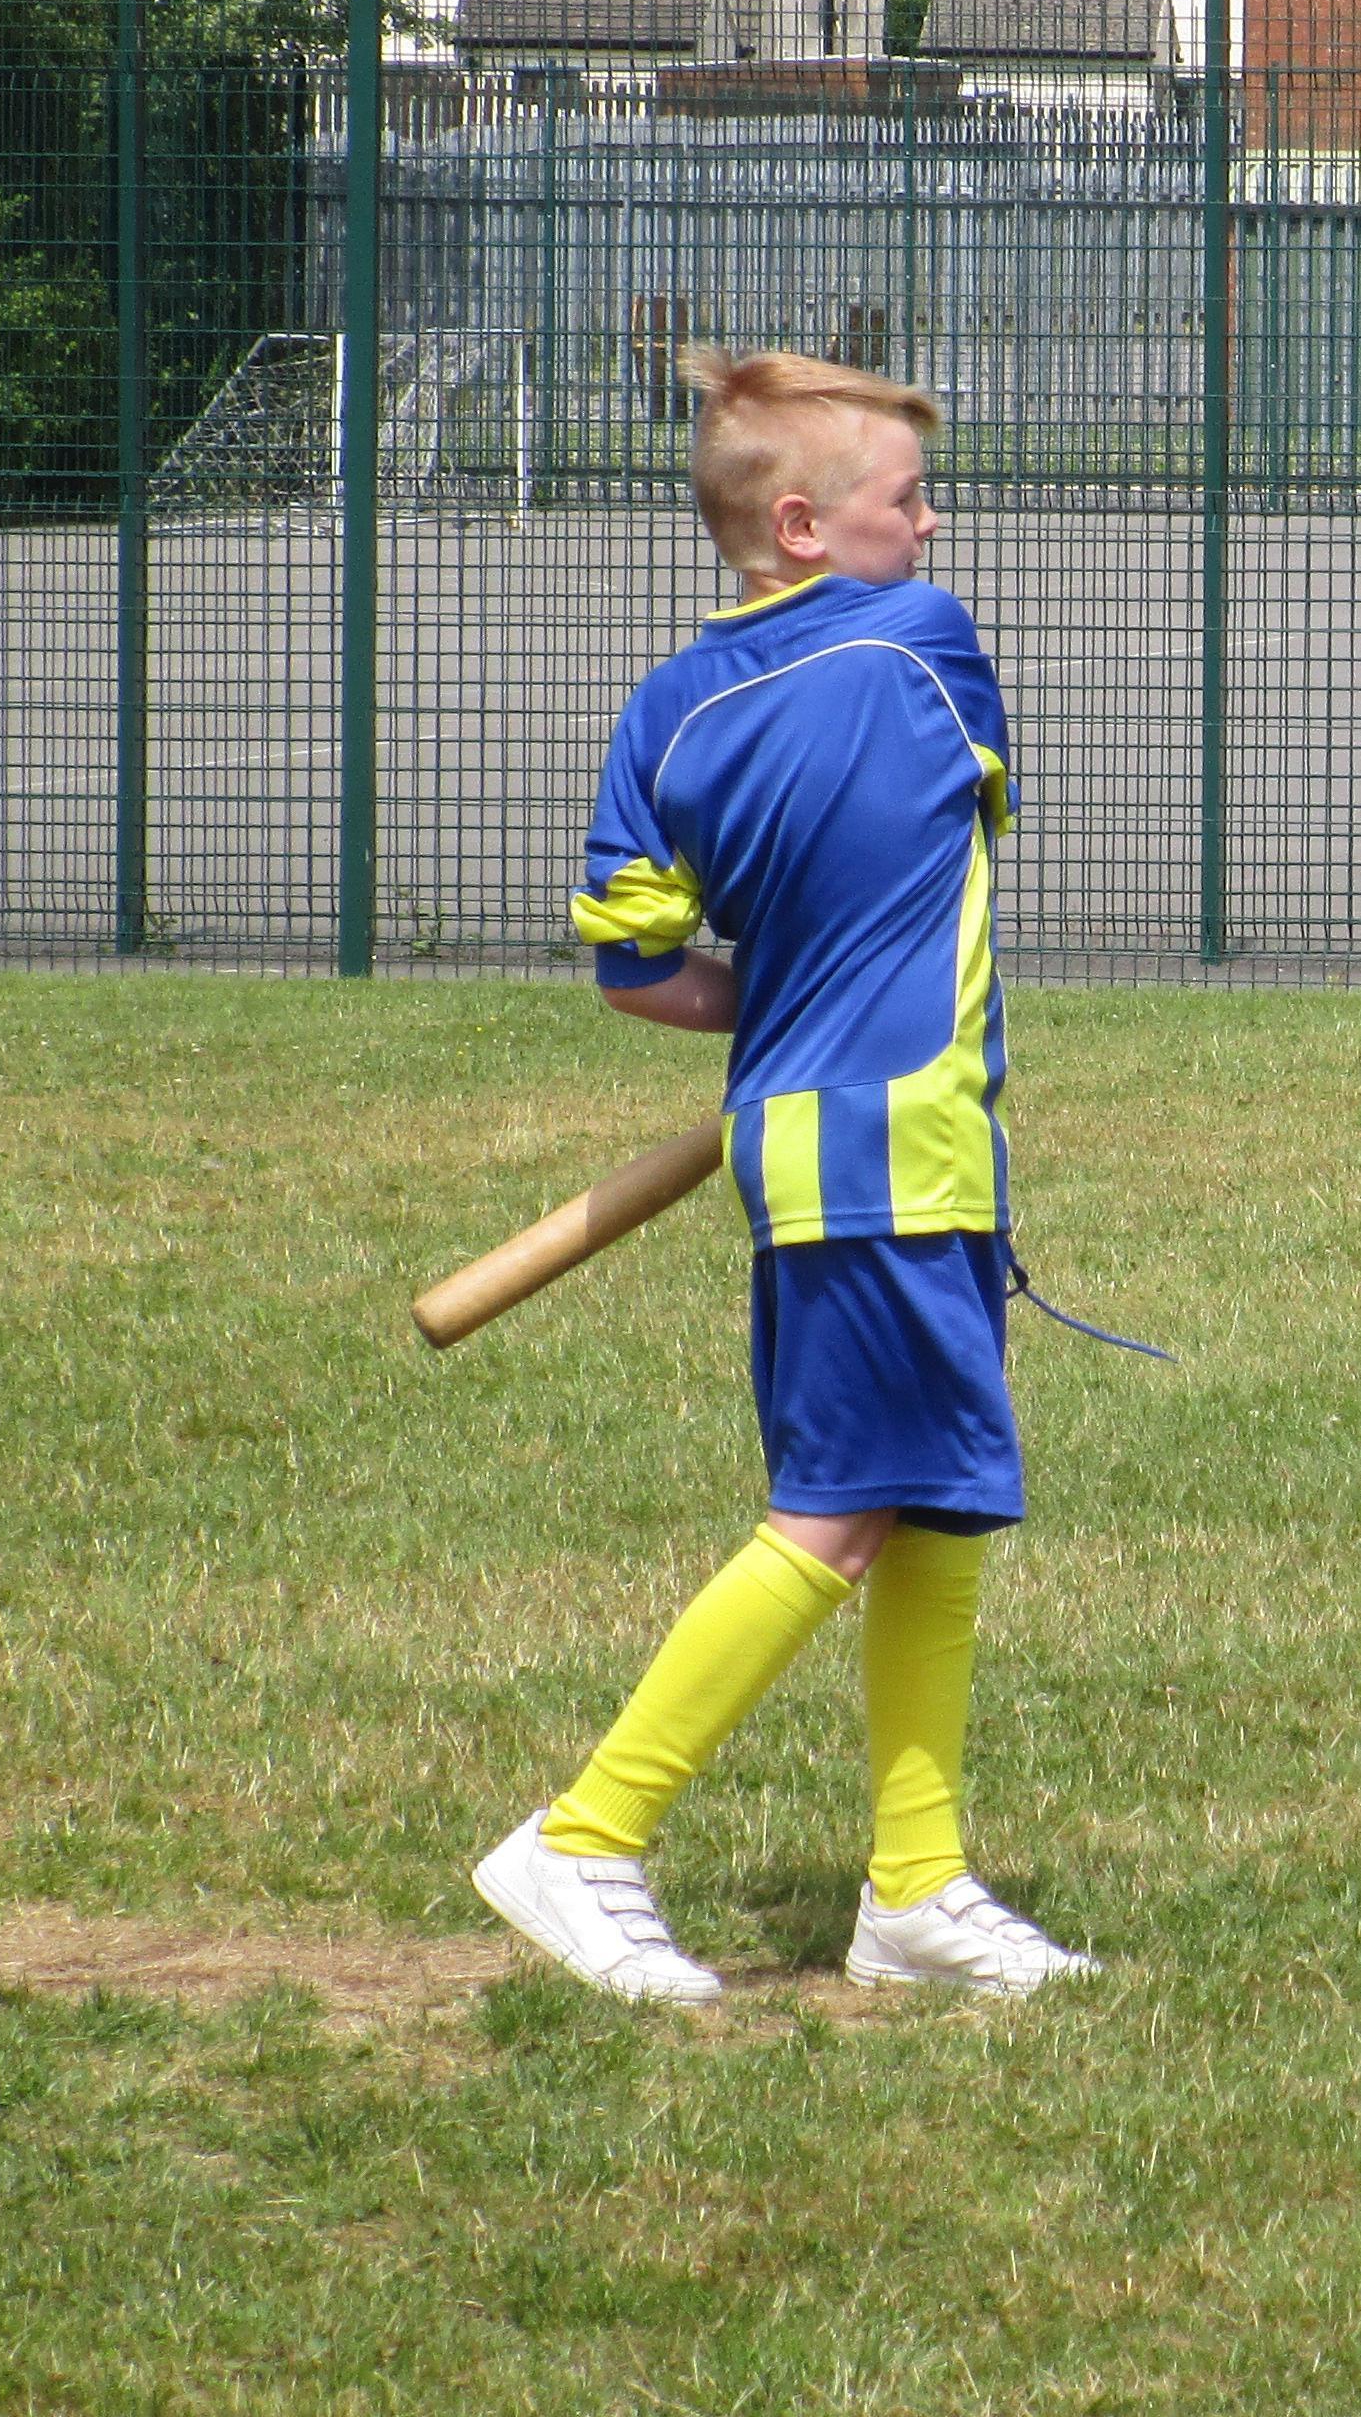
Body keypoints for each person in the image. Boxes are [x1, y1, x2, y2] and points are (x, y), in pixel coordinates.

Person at [469, 346, 1101, 2004]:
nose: (932, 526)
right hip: (896, 1146)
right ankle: (586, 1836)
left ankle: (916, 1888)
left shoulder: (666, 712)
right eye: (909, 498)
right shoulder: (924, 643)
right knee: (835, 1515)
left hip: (819, 1141)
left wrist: (786, 992)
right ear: (807, 526)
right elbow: (959, 833)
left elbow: (636, 969)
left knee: (933, 1502)